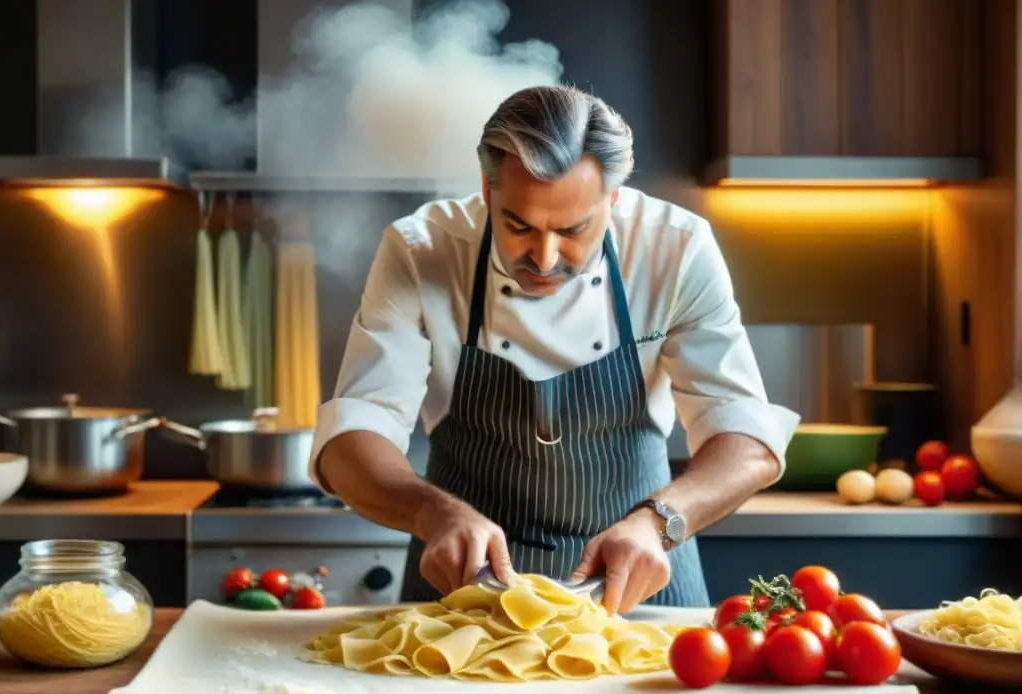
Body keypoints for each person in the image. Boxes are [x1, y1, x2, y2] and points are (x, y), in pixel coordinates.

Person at [310, 84, 799, 615]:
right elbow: (352, 440)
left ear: (613, 198)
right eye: (518, 225)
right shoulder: (421, 249)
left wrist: (660, 521)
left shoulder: (675, 248)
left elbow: (747, 439)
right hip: (464, 591)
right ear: (487, 189)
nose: (544, 258)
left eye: (573, 230)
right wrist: (432, 513)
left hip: (639, 582)